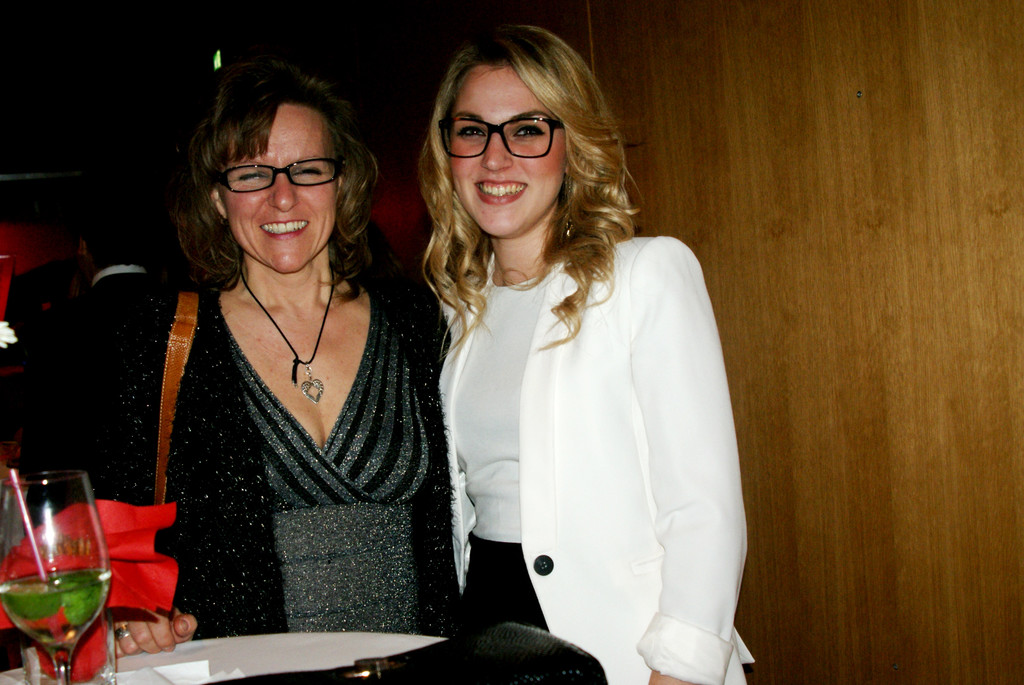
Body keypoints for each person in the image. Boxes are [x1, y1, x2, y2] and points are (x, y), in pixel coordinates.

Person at [420, 26, 751, 685]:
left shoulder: (644, 275)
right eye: (472, 131)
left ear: (570, 146)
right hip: (488, 629)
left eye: (527, 130)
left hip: (622, 646)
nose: (495, 158)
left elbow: (703, 508)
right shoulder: (456, 308)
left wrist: (679, 670)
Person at [94, 55, 458, 654]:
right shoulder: (160, 340)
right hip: (247, 673)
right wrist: (130, 611)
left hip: (417, 667)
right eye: (252, 174)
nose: (282, 198)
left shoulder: (418, 321)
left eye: (307, 170)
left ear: (342, 183)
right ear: (218, 197)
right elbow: (114, 523)